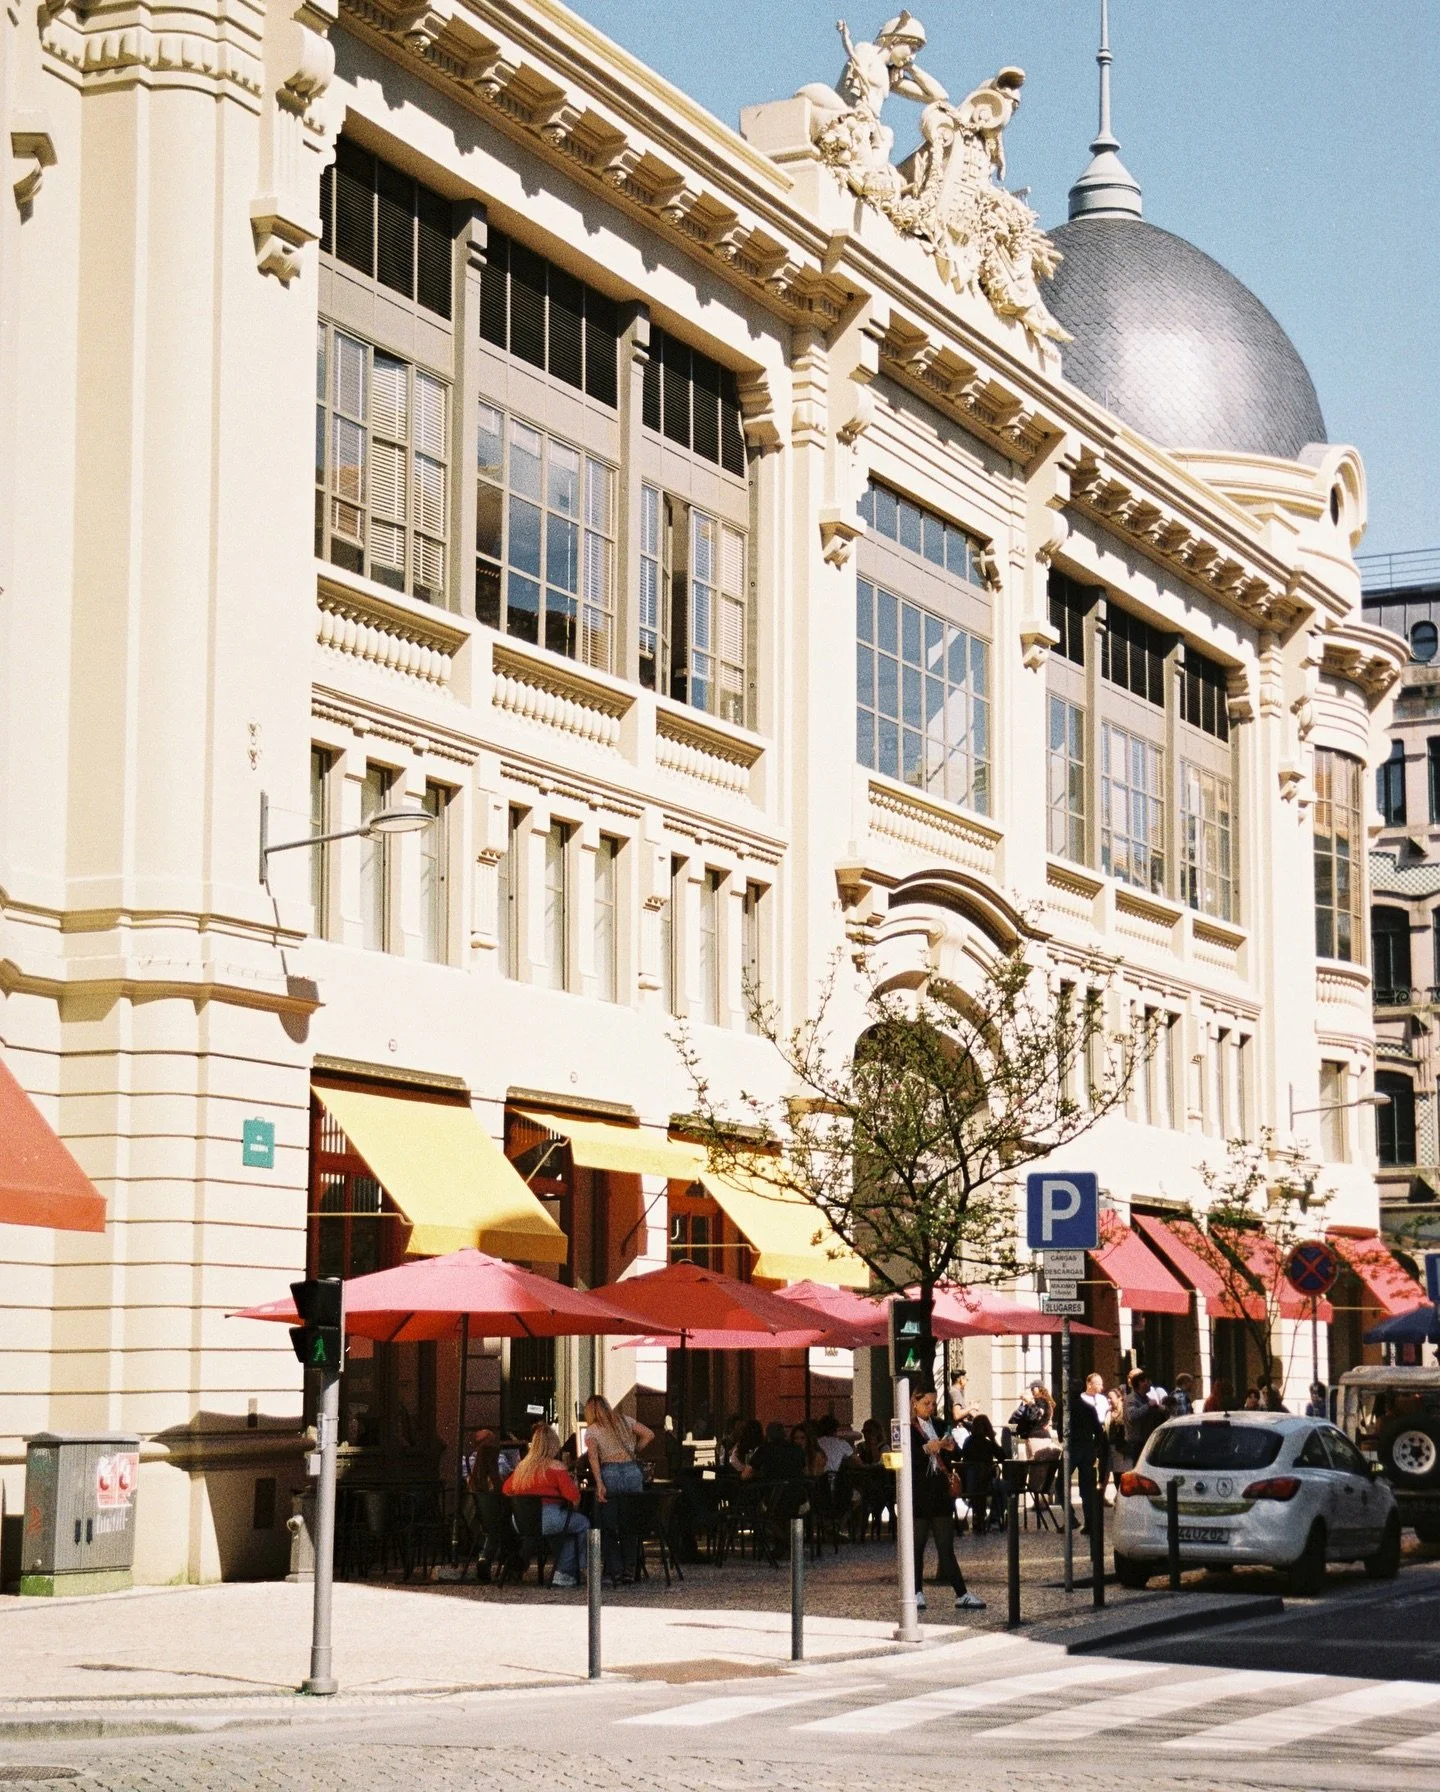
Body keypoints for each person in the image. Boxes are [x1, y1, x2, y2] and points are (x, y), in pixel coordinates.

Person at [910, 1390, 984, 1611]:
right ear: (914, 1402)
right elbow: (908, 1457)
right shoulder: (907, 1428)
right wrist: (926, 1449)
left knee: (945, 1546)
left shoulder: (940, 1425)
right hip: (919, 1493)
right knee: (917, 1546)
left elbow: (957, 1454)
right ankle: (916, 1592)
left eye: (933, 1403)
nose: (930, 1408)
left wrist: (950, 1448)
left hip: (940, 1492)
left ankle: (962, 1594)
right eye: (926, 1403)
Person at [502, 1423, 590, 1588]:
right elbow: (574, 1498)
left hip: (521, 1522)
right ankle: (565, 1571)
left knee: (563, 1530)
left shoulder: (522, 1467)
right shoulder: (556, 1467)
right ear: (553, 1445)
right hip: (549, 1519)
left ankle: (566, 1569)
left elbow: (506, 1490)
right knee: (582, 1524)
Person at [584, 1394, 653, 1583]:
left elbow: (593, 1458)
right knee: (630, 1521)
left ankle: (615, 1569)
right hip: (632, 1471)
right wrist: (635, 1450)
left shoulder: (592, 1430)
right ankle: (630, 1568)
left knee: (607, 1523)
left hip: (610, 1472)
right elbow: (649, 1434)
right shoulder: (625, 1420)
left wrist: (599, 1483)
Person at [1068, 1371, 1109, 1532]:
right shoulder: (1089, 1408)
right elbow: (1099, 1431)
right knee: (1087, 1488)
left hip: (1072, 1449)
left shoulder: (1066, 1409)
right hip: (1087, 1449)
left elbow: (1061, 1432)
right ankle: (1089, 1523)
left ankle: (1071, 1518)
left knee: (1060, 1484)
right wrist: (1094, 1448)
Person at [959, 1412, 1002, 1532]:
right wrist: (993, 1438)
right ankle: (994, 1519)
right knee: (1003, 1487)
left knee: (983, 1484)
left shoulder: (968, 1442)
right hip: (986, 1484)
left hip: (969, 1484)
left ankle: (979, 1517)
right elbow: (1002, 1456)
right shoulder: (988, 1444)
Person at [1009, 1382, 1054, 1459]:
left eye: (1033, 1388)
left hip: (1035, 1437)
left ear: (1040, 1388)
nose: (1032, 1390)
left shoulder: (1039, 1401)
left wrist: (1029, 1402)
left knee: (1034, 1462)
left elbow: (1033, 1417)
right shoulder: (1047, 1402)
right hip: (1045, 1436)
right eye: (1031, 1389)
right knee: (1043, 1463)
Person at [815, 1413, 854, 1477]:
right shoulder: (841, 1443)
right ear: (836, 1429)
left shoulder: (814, 1442)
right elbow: (857, 1462)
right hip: (832, 1477)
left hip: (815, 1477)